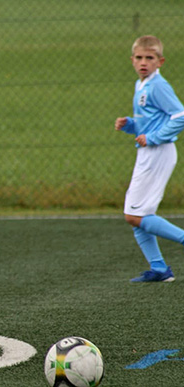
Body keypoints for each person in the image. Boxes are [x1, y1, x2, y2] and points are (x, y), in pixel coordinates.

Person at [115, 35, 184, 283]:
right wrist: (130, 125)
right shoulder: (141, 84)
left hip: (158, 153)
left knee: (135, 215)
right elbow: (151, 121)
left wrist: (153, 137)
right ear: (132, 60)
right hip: (148, 153)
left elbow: (180, 116)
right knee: (137, 214)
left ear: (160, 61)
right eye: (140, 57)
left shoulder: (158, 86)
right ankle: (159, 268)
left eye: (150, 58)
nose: (144, 62)